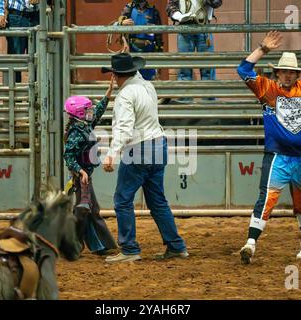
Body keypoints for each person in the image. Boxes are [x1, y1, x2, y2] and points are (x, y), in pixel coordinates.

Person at [236, 28, 301, 264]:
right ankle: (250, 243)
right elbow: (243, 70)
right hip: (278, 156)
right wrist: (262, 49)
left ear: (297, 74)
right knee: (267, 198)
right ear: (278, 73)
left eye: (292, 72)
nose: (288, 75)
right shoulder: (267, 89)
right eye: (284, 71)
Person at [101, 53, 188, 263]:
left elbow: (124, 128)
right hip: (159, 144)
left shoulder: (125, 95)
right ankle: (176, 246)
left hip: (138, 150)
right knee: (157, 201)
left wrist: (112, 154)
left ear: (115, 75)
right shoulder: (148, 86)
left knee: (122, 200)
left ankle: (130, 249)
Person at [63, 78, 118, 256]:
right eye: (87, 110)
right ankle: (72, 244)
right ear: (79, 113)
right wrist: (80, 171)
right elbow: (68, 155)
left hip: (85, 174)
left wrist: (108, 93)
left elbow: (99, 112)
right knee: (84, 209)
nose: (91, 112)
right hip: (82, 176)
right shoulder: (76, 133)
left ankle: (99, 245)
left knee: (89, 209)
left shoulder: (84, 126)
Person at [166, 0, 222, 102]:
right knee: (184, 69)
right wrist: (179, 16)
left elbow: (217, 2)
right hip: (184, 28)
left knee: (208, 70)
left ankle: (209, 106)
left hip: (204, 27)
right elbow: (170, 7)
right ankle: (184, 104)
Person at [0, 0, 52, 82]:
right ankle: (14, 91)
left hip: (37, 14)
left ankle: (37, 91)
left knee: (38, 57)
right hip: (16, 15)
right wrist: (0, 13)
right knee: (15, 57)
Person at [118, 0, 163, 80]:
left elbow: (159, 34)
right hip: (133, 49)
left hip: (149, 51)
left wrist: (159, 51)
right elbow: (116, 25)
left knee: (149, 79)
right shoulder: (129, 8)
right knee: (133, 79)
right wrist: (122, 22)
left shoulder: (153, 10)